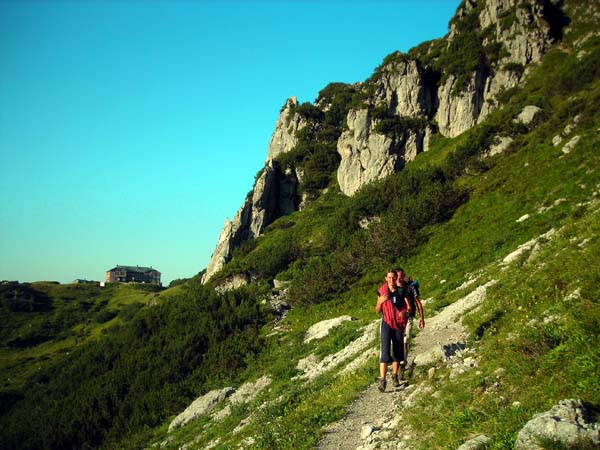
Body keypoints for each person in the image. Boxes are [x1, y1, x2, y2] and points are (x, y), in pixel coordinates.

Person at [375, 269, 412, 392]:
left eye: (393, 277)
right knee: (384, 351)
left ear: (396, 278)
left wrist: (405, 313)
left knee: (397, 350)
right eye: (389, 277)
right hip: (386, 323)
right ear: (386, 278)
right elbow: (377, 311)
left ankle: (395, 376)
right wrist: (380, 302)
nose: (391, 280)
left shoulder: (402, 291)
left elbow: (409, 308)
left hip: (398, 324)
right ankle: (382, 380)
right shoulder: (382, 291)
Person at [396, 268, 425, 369]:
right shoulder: (392, 289)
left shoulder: (410, 288)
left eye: (401, 277)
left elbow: (418, 303)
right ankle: (399, 363)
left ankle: (402, 363)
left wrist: (422, 318)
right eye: (398, 277)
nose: (400, 279)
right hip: (396, 319)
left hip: (408, 317)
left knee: (406, 339)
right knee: (398, 341)